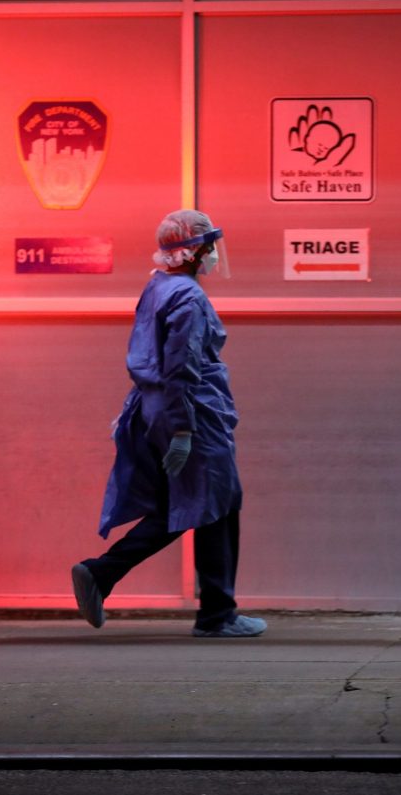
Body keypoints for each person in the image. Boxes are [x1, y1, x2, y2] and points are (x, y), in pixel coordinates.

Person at [71, 209, 265, 638]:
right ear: (192, 251)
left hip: (160, 409)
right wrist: (182, 428)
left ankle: (100, 576)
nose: (215, 254)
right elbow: (181, 366)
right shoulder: (189, 298)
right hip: (192, 413)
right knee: (215, 507)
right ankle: (216, 615)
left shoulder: (159, 287)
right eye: (209, 246)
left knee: (191, 505)